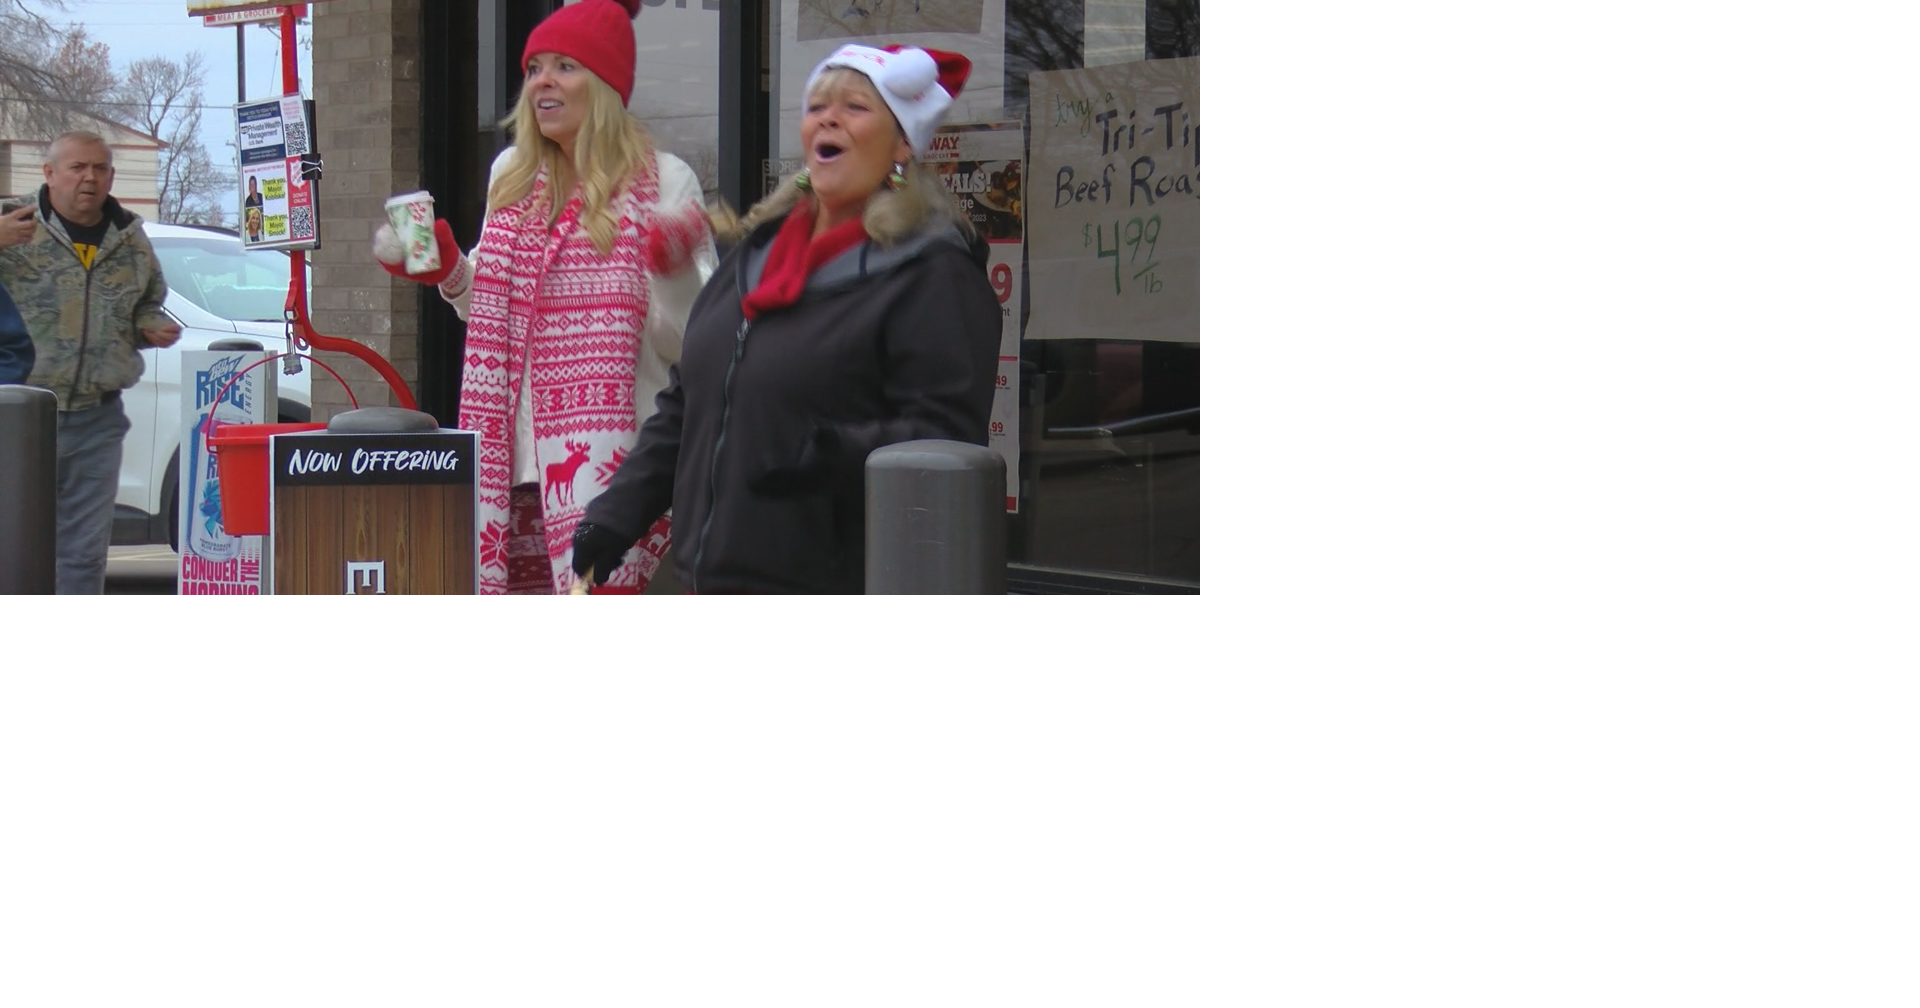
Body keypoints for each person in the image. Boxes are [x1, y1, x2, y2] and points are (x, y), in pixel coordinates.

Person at [571, 43, 1000, 595]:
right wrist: (615, 514)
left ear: (901, 144)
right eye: (818, 105)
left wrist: (828, 455)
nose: (829, 117)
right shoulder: (755, 256)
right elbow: (687, 402)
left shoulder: (933, 272)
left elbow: (946, 442)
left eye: (855, 107)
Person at [373, 0, 717, 595]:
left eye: (565, 66)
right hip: (513, 468)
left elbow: (695, 343)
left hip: (620, 470)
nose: (542, 82)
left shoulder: (665, 179)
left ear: (606, 85)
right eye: (534, 68)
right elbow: (495, 307)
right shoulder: (512, 174)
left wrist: (674, 268)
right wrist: (448, 269)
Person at [0, 130, 181, 594]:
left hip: (95, 420)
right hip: (16, 416)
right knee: (10, 544)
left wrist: (149, 324)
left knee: (82, 553)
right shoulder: (10, 221)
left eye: (100, 168)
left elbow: (147, 300)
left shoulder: (129, 238)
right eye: (77, 167)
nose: (89, 178)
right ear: (49, 173)